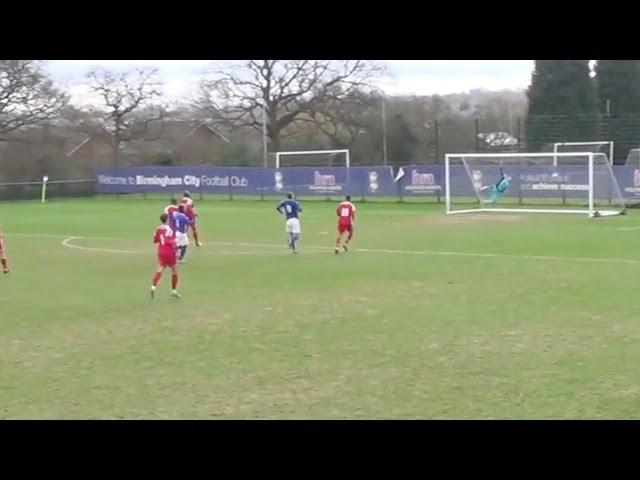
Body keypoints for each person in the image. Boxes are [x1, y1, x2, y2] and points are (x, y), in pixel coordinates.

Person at [151, 213, 180, 299]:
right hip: (169, 251)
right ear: (167, 220)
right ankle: (174, 291)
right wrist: (176, 249)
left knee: (160, 269)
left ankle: (153, 286)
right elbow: (171, 241)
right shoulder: (170, 230)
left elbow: (155, 240)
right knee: (175, 270)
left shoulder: (158, 229)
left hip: (161, 251)